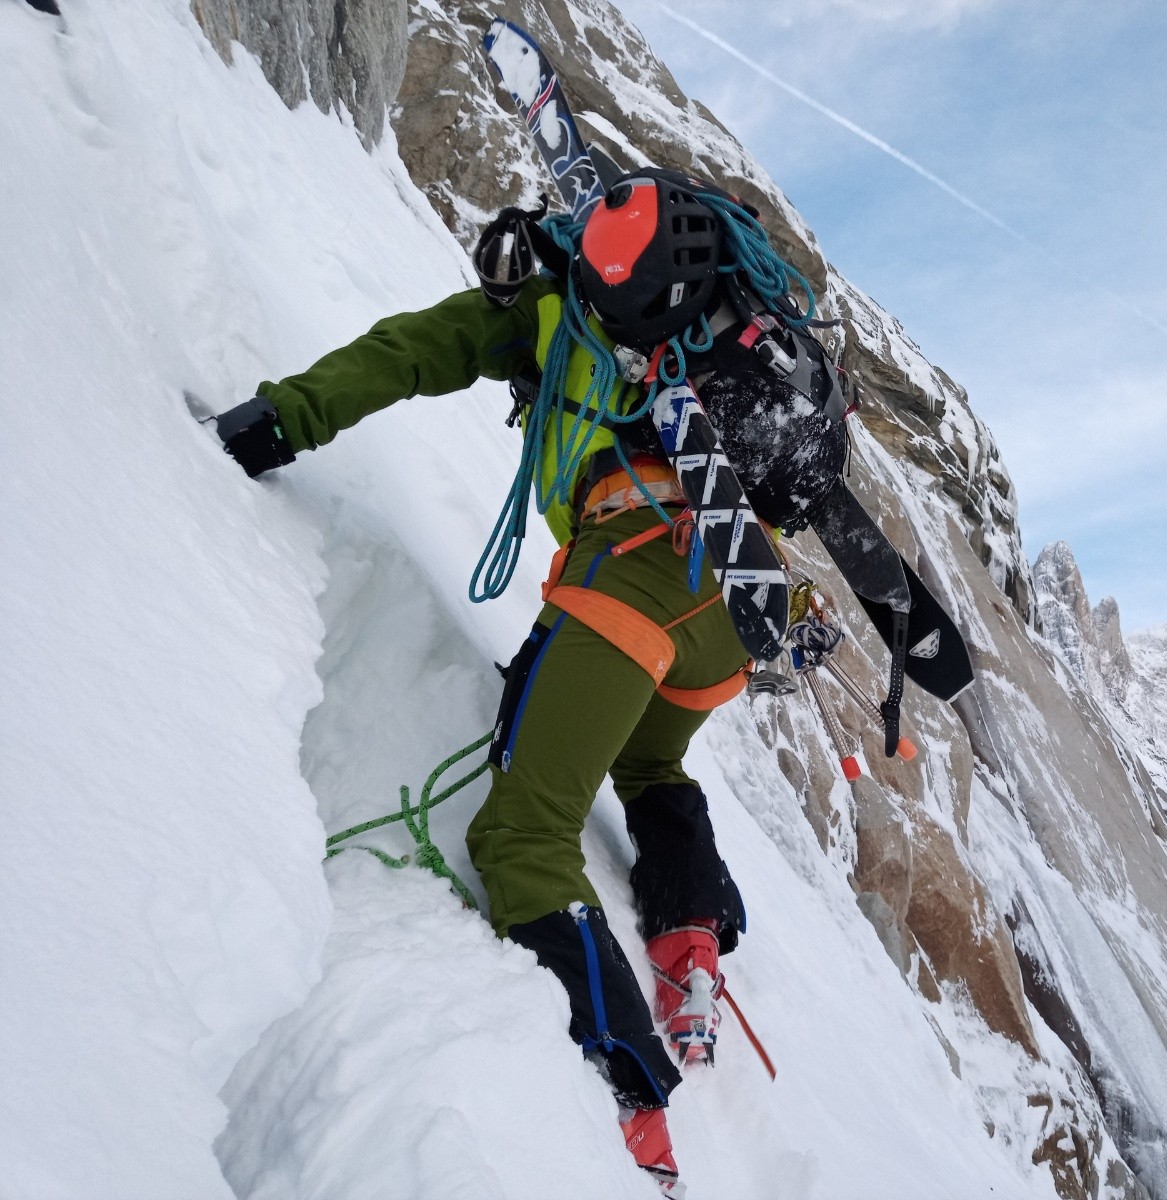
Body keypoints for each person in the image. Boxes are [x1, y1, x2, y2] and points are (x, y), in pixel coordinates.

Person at [213, 168, 846, 1196]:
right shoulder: (699, 323)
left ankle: (635, 1095)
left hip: (633, 575)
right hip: (732, 605)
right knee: (649, 762)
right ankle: (689, 941)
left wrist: (281, 419)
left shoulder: (543, 309)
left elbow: (406, 353)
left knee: (523, 836)